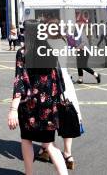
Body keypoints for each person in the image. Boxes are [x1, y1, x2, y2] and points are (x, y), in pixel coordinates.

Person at [7, 20, 68, 175]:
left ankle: (29, 173)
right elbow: (57, 79)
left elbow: (19, 81)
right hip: (48, 106)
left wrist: (13, 109)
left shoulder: (23, 52)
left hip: (29, 106)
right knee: (49, 145)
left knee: (27, 140)